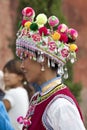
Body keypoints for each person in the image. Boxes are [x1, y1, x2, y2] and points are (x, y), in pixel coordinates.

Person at [16, 7, 86, 130]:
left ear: (43, 60)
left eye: (26, 58)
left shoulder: (61, 105)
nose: (22, 66)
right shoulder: (38, 97)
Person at [2, 59, 32, 130]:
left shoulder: (13, 93)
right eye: (5, 72)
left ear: (20, 76)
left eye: (10, 72)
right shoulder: (23, 91)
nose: (5, 76)